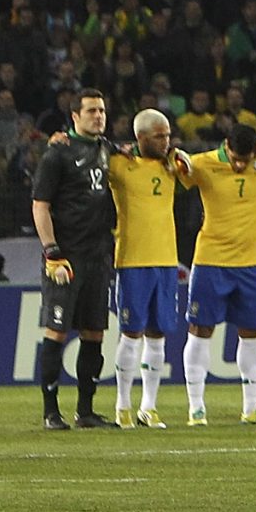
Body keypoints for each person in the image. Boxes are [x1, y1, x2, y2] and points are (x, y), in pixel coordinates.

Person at [184, 123, 256, 426]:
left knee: (252, 331)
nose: (241, 164)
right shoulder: (203, 164)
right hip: (210, 261)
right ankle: (196, 409)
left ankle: (252, 408)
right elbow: (176, 176)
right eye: (235, 157)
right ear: (225, 146)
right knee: (201, 329)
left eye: (246, 158)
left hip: (252, 263)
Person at [32, 90, 120, 430]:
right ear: (75, 116)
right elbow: (40, 204)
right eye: (91, 111)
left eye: (102, 110)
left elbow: (135, 151)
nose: (98, 116)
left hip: (98, 257)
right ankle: (50, 411)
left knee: (94, 333)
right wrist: (51, 250)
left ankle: (85, 412)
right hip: (66, 258)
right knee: (56, 332)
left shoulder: (104, 148)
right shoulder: (58, 154)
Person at [109, 108, 192, 427]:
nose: (166, 141)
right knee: (131, 334)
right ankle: (122, 406)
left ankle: (149, 406)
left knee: (158, 336)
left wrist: (181, 156)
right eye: (159, 136)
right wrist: (114, 147)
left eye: (168, 135)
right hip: (133, 260)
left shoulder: (172, 166)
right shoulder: (121, 164)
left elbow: (195, 170)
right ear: (140, 137)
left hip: (166, 261)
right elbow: (95, 155)